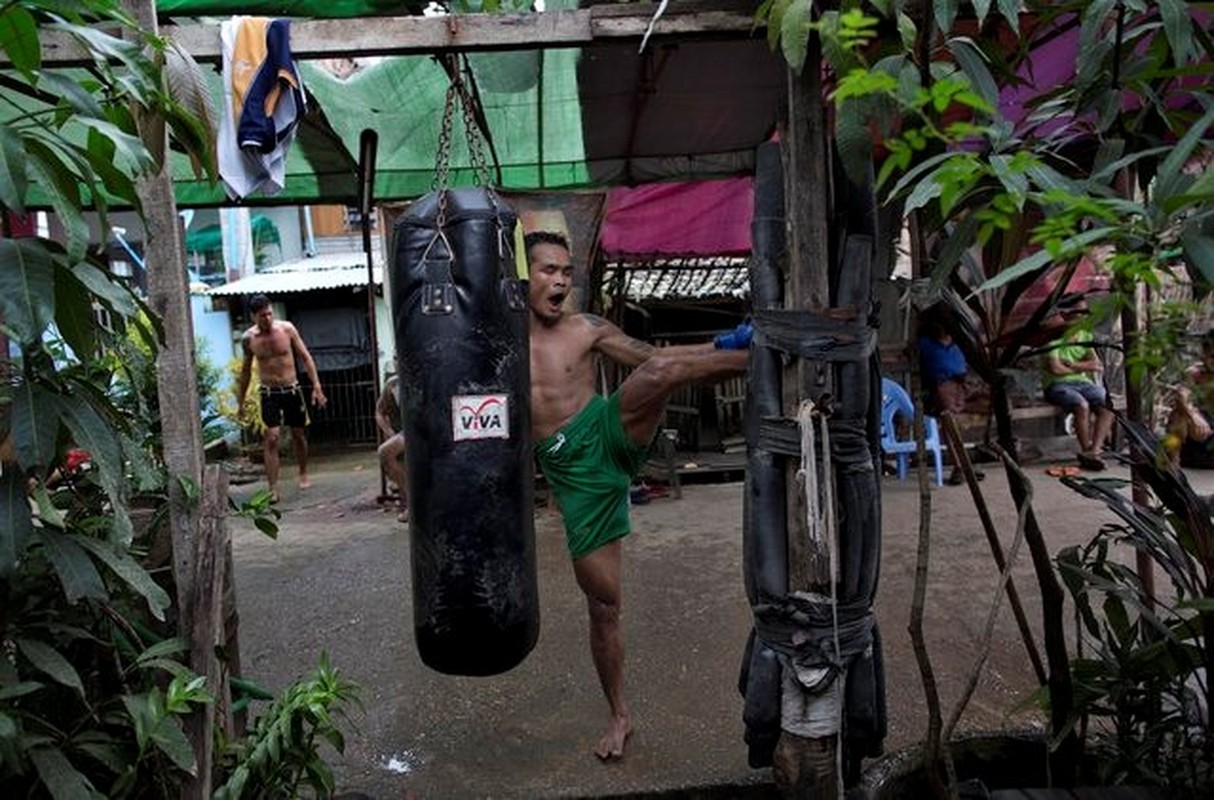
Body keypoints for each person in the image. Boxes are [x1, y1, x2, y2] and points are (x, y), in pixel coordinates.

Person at [525, 230, 750, 761]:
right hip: (572, 473)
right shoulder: (503, 341)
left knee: (663, 371)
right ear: (524, 278)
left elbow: (652, 355)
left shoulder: (588, 329)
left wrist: (723, 345)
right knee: (604, 606)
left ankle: (768, 354)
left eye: (566, 271)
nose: (559, 280)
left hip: (609, 431)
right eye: (547, 271)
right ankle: (620, 715)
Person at [237, 294, 327, 501]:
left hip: (292, 390)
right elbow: (245, 372)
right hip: (269, 393)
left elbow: (306, 357)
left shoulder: (287, 329)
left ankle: (303, 472)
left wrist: (317, 387)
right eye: (262, 316)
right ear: (253, 317)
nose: (267, 319)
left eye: (269, 314)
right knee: (272, 438)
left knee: (298, 434)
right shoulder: (248, 339)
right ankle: (272, 488)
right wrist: (240, 403)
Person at [916, 310, 984, 485]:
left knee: (995, 401)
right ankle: (960, 466)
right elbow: (910, 356)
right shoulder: (924, 343)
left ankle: (969, 462)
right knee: (949, 420)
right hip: (940, 387)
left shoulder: (960, 343)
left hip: (964, 385)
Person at [1041, 325, 1114, 471]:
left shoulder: (1084, 336)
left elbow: (1098, 365)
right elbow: (1056, 369)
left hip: (1083, 383)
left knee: (1108, 406)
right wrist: (1085, 366)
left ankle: (1094, 450)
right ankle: (1086, 449)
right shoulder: (1053, 342)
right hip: (1058, 385)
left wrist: (1072, 365)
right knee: (1081, 405)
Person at [1165, 330, 1214, 468]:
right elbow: (1181, 395)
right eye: (1212, 356)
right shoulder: (1194, 374)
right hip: (1196, 438)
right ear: (1204, 354)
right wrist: (1193, 416)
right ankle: (1172, 463)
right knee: (1179, 414)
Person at [374, 372, 408, 521]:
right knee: (386, 452)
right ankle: (410, 502)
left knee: (387, 452)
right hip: (406, 433)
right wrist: (389, 432)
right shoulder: (393, 384)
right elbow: (379, 412)